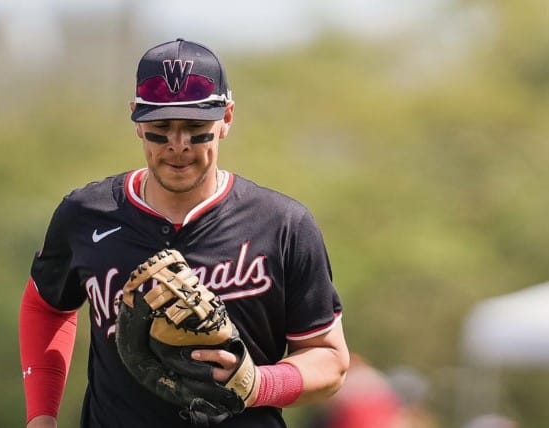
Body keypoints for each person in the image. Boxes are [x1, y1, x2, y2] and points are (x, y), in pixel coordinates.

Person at [19, 38, 350, 428]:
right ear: (137, 121)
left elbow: (329, 360)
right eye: (161, 128)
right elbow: (46, 306)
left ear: (226, 118)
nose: (178, 145)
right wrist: (41, 416)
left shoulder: (282, 225)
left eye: (195, 128)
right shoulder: (87, 215)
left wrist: (259, 383)